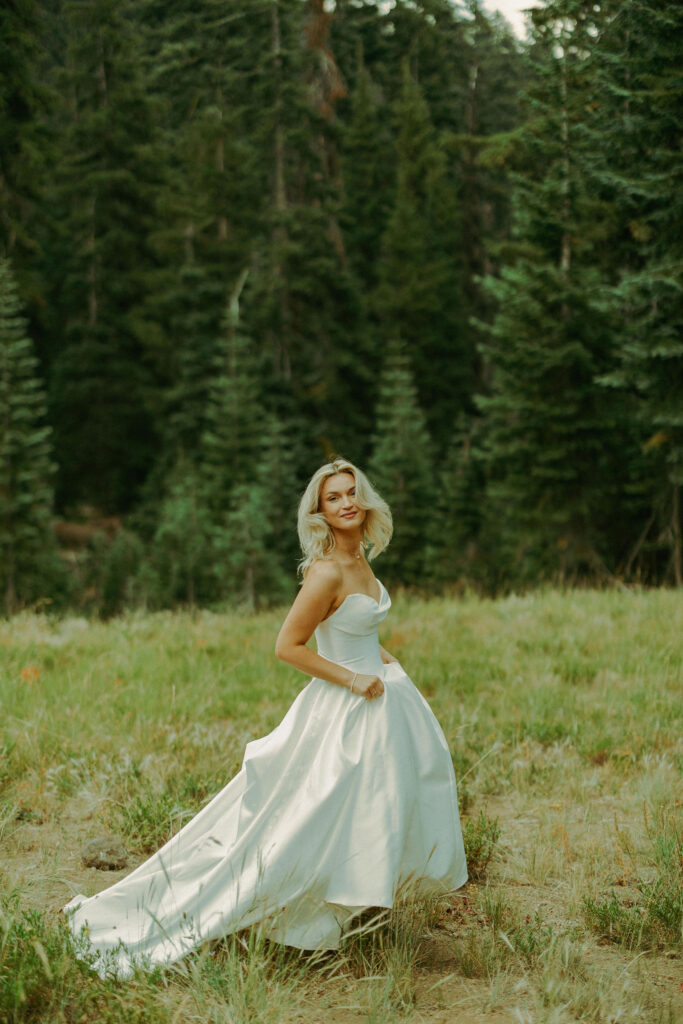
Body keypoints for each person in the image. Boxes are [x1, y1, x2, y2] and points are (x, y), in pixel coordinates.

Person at [64, 457, 467, 978]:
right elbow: (288, 647)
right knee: (306, 819)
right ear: (319, 512)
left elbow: (352, 630)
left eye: (351, 493)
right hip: (344, 709)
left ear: (363, 500)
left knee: (367, 814)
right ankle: (269, 914)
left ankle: (345, 920)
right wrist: (351, 679)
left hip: (380, 704)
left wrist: (382, 659)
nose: (346, 503)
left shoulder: (362, 562)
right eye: (333, 498)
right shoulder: (326, 572)